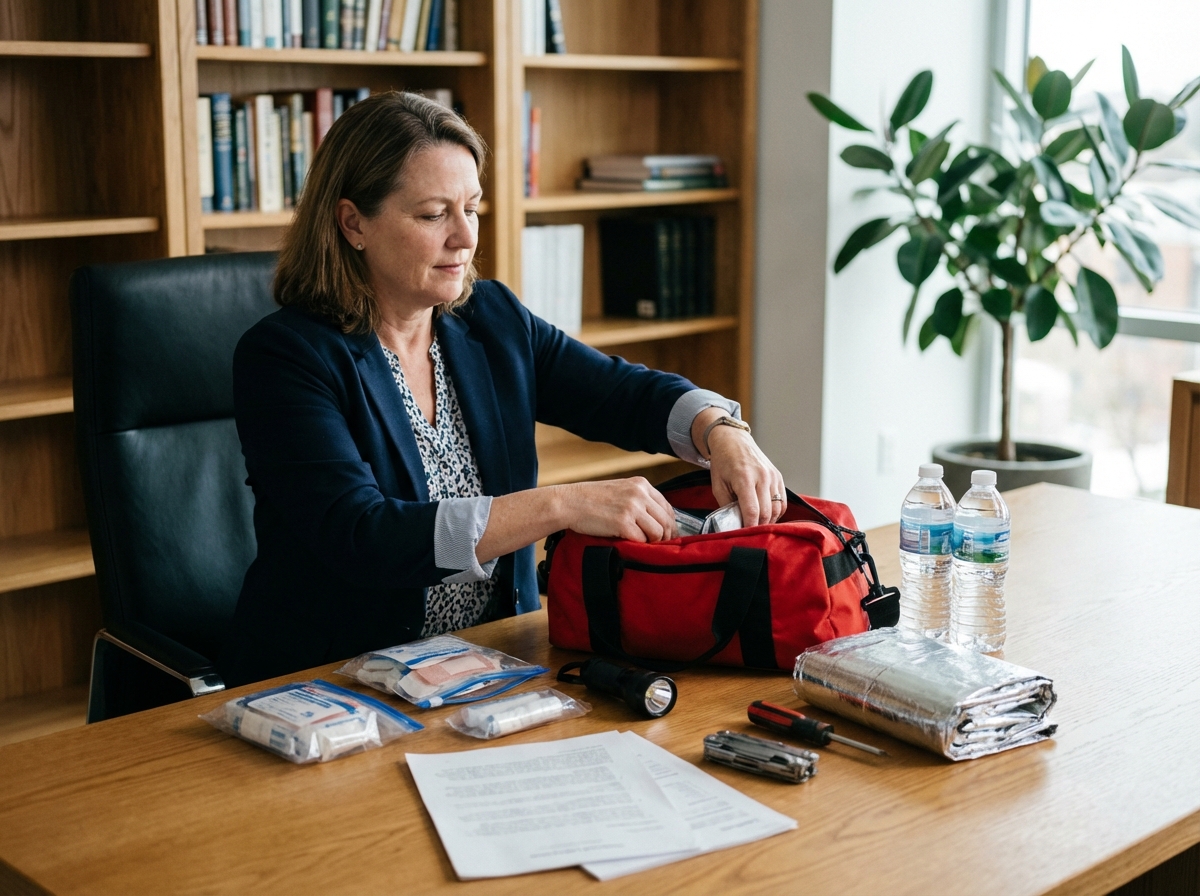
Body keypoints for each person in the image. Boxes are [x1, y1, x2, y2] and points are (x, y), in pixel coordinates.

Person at [220, 91, 785, 686]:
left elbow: (622, 393)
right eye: (433, 215)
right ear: (353, 222)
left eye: (472, 208)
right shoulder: (285, 357)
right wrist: (561, 505)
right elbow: (364, 535)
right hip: (331, 685)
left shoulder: (492, 318)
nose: (465, 237)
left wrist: (720, 428)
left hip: (491, 664)